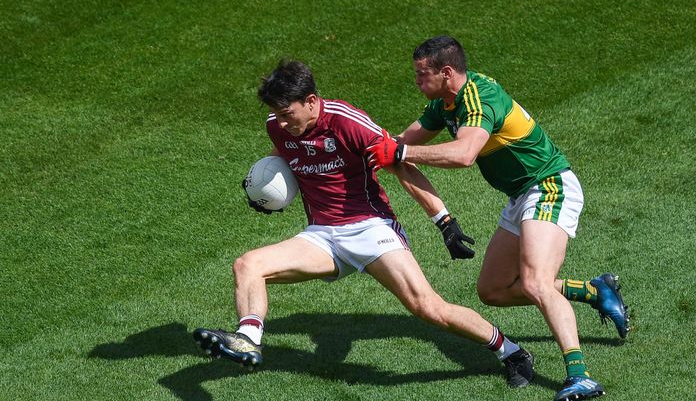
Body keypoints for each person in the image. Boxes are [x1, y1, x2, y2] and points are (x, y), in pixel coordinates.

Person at [193, 59, 535, 387]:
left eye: (288, 115)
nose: (281, 124)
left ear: (311, 101)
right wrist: (262, 188)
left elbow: (399, 163)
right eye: (277, 116)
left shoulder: (347, 122)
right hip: (323, 236)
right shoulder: (278, 124)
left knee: (428, 308)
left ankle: (512, 351)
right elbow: (283, 152)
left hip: (371, 228)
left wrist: (444, 221)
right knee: (248, 265)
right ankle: (248, 340)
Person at [366, 36, 630, 401]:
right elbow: (400, 145)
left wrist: (402, 150)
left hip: (549, 186)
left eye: (420, 75)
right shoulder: (444, 103)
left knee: (537, 282)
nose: (416, 82)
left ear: (446, 72)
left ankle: (579, 375)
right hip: (521, 196)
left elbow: (464, 154)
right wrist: (371, 149)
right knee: (493, 290)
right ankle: (592, 290)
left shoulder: (479, 97)